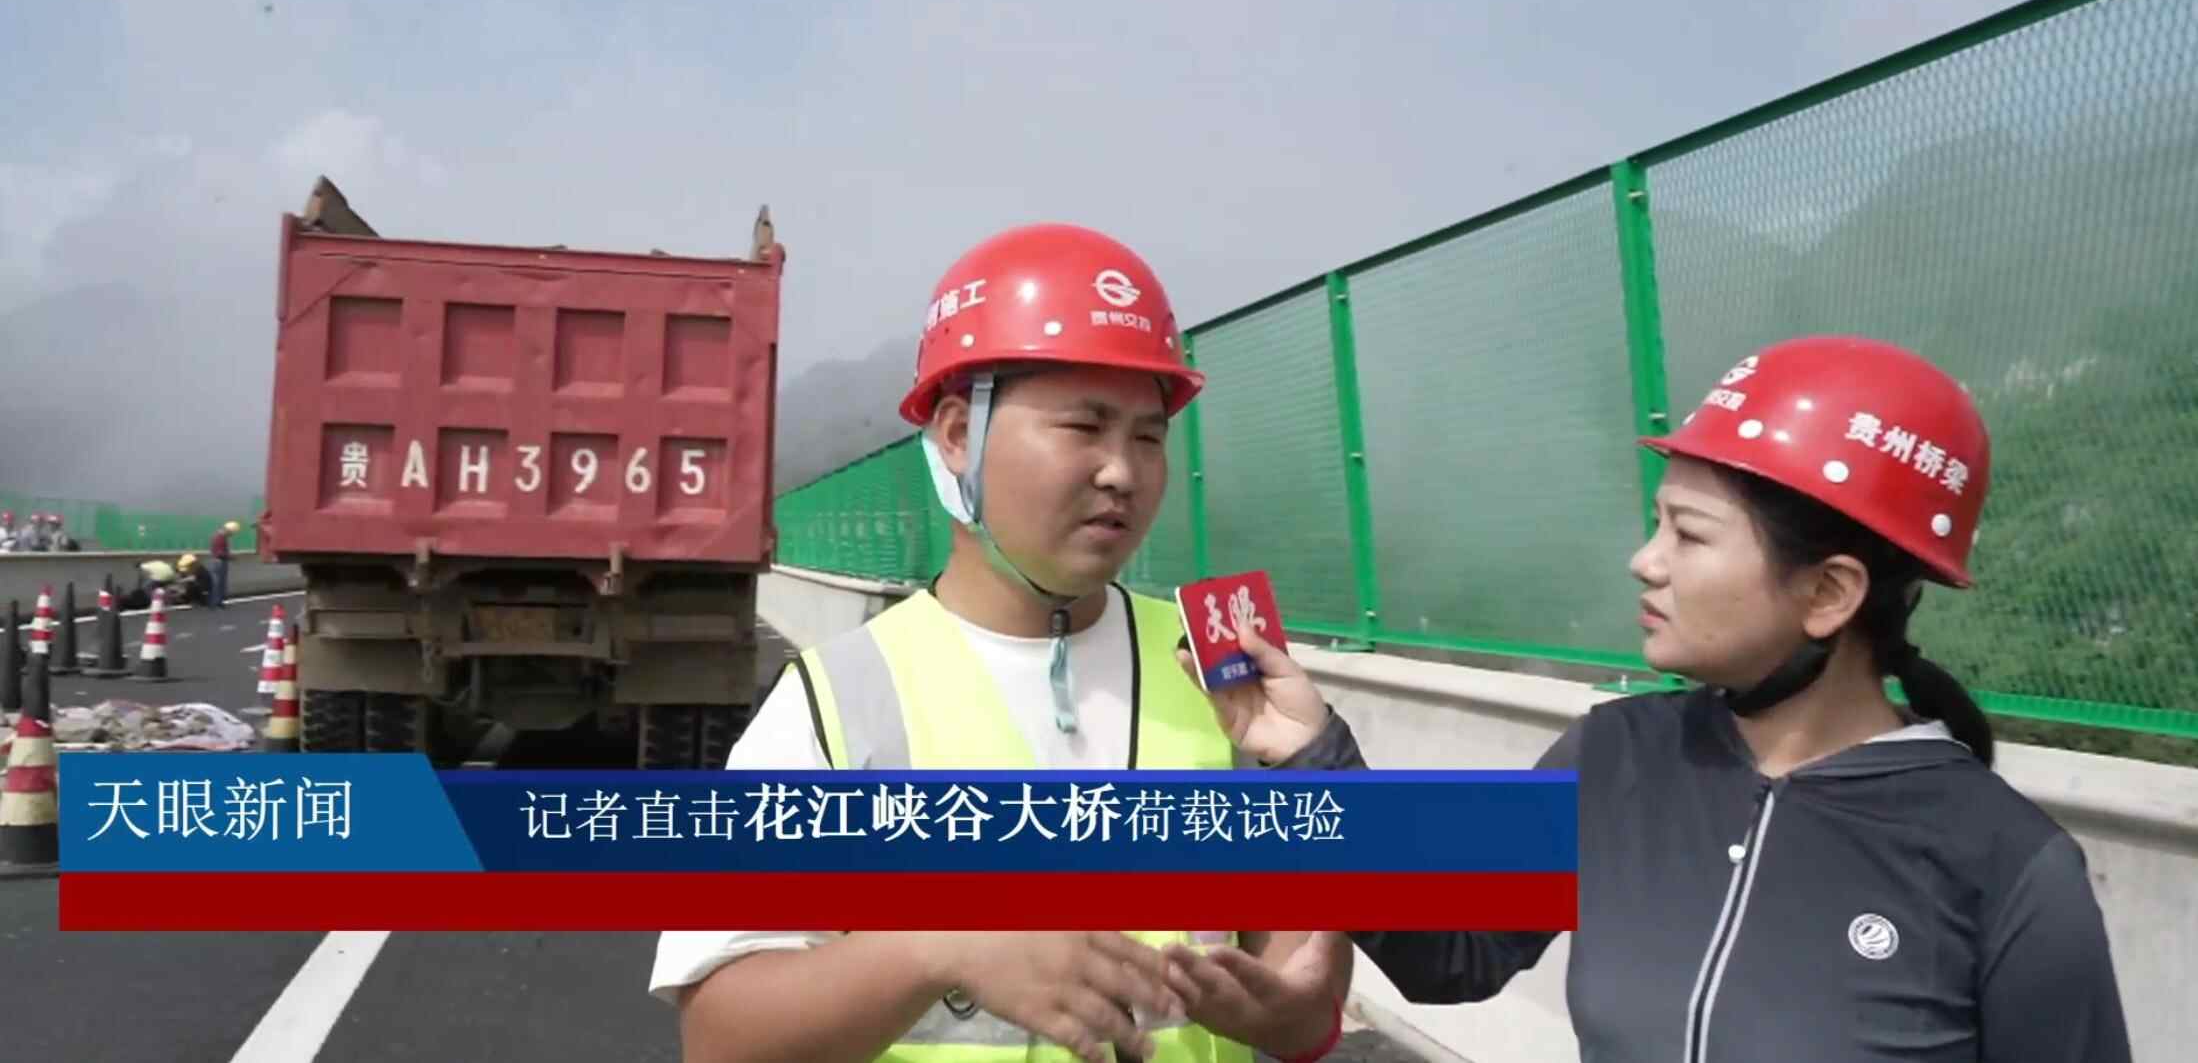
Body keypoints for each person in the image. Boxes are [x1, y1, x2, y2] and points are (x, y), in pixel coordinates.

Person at [1166, 335, 2132, 1063]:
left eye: (1690, 534)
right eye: (1655, 523)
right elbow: (1453, 952)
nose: (1646, 560)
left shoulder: (2007, 867)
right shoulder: (1616, 756)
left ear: (1829, 593)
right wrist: (1314, 756)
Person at [650, 223, 1351, 1063]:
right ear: (957, 435)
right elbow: (720, 1040)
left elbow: (1306, 1005)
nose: (1123, 471)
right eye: (1084, 426)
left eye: (1148, 437)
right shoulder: (840, 701)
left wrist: (1284, 1011)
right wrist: (935, 947)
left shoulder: (1220, 669)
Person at [206, 521, 240, 608]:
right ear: (229, 531)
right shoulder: (220, 538)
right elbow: (220, 553)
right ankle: (215, 602)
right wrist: (231, 557)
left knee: (218, 582)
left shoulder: (219, 537)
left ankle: (218, 601)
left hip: (218, 561)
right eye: (232, 533)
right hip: (219, 562)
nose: (231, 535)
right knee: (218, 583)